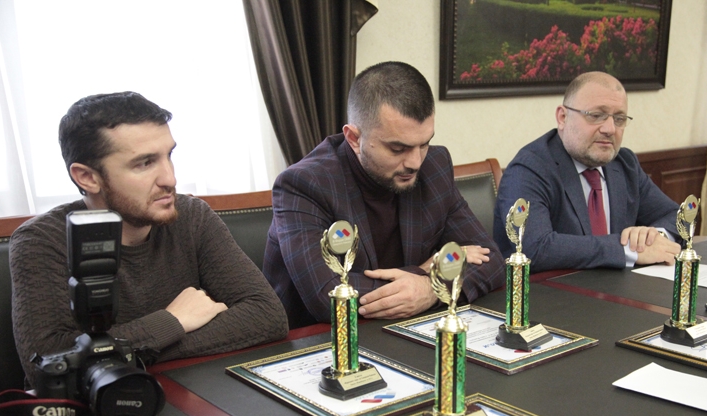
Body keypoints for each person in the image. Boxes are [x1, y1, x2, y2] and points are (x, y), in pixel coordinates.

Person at [10, 92, 288, 387]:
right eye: (144, 163)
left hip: (185, 392)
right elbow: (48, 364)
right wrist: (172, 321)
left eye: (169, 156)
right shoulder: (41, 240)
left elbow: (267, 315)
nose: (170, 179)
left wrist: (124, 354)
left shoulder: (192, 216)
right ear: (87, 177)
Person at [264, 61, 505, 329]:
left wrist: (430, 289)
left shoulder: (435, 166)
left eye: (424, 144)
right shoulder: (303, 185)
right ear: (354, 138)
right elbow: (328, 296)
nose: (415, 162)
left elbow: (492, 261)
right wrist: (423, 273)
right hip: (320, 339)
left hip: (408, 328)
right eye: (398, 149)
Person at [493, 71, 682, 272]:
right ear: (562, 117)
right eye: (596, 116)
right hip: (552, 289)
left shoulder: (624, 164)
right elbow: (535, 248)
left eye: (619, 119)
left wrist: (654, 239)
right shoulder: (530, 169)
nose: (610, 129)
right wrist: (625, 249)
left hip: (617, 287)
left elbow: (677, 216)